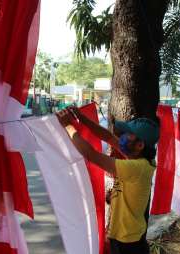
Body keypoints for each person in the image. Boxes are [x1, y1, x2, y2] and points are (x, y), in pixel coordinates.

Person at [56, 107, 159, 254]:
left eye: (129, 135)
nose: (123, 137)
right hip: (126, 236)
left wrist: (68, 126)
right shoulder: (140, 158)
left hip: (128, 243)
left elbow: (91, 155)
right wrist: (82, 118)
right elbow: (109, 138)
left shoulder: (137, 167)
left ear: (140, 145)